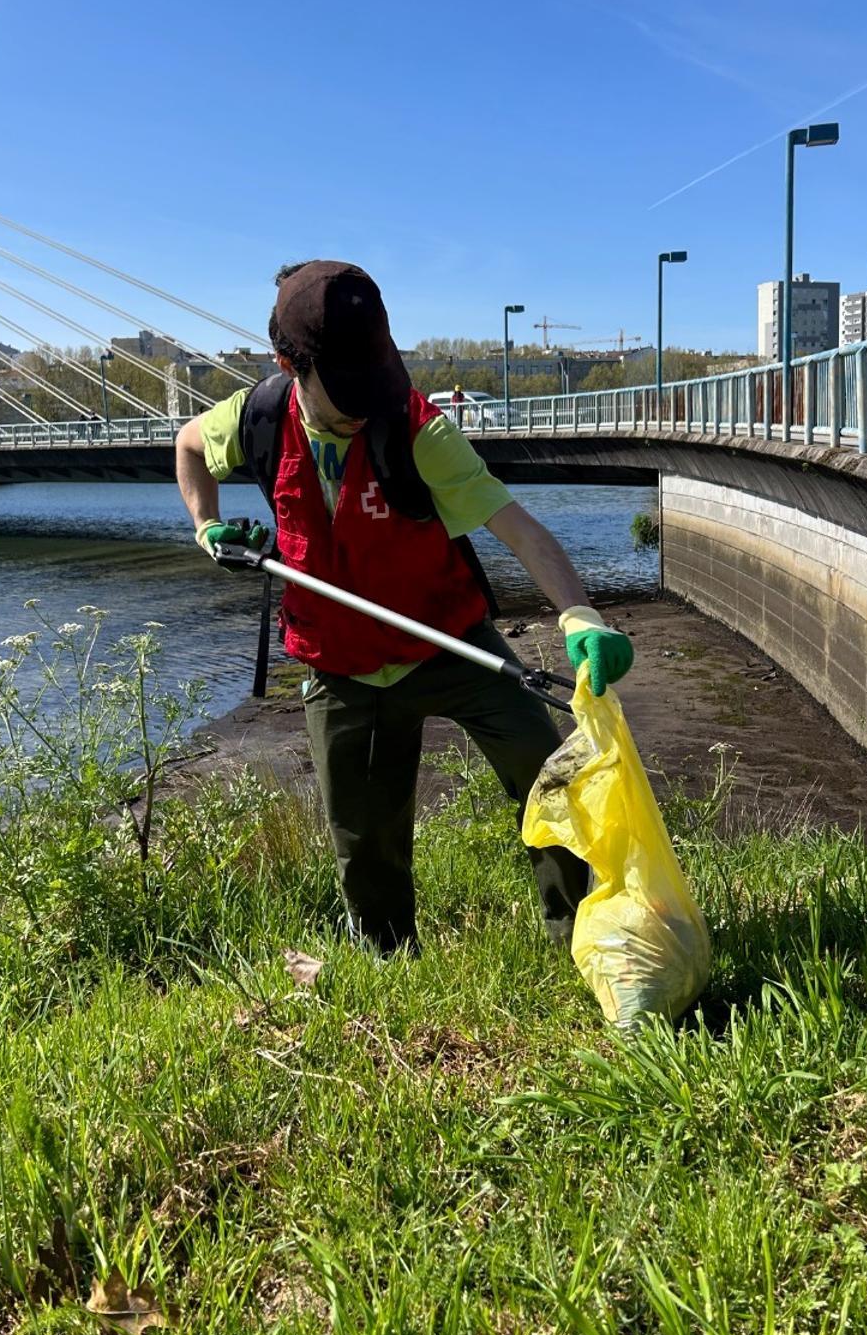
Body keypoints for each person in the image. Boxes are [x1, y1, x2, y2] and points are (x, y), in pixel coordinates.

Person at [175, 259, 633, 954]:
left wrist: (579, 616)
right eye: (348, 388)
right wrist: (206, 526)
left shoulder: (419, 431)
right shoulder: (259, 417)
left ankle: (585, 938)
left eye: (375, 379)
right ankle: (389, 956)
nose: (366, 404)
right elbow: (187, 446)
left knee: (551, 774)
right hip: (339, 662)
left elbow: (520, 530)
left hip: (448, 640)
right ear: (287, 364)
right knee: (363, 837)